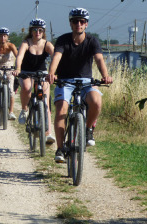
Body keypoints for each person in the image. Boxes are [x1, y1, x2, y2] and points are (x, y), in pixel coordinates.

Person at [47, 8, 113, 163]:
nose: (78, 24)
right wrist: (51, 73)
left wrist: (105, 76)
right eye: (75, 21)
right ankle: (61, 148)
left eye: (82, 21)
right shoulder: (63, 40)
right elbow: (56, 57)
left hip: (86, 82)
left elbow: (99, 60)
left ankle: (88, 129)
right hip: (65, 81)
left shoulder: (92, 41)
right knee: (61, 110)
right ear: (70, 23)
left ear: (86, 24)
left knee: (96, 101)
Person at [13, 18, 56, 144]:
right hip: (26, 72)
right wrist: (18, 68)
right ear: (31, 31)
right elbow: (20, 56)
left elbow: (56, 57)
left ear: (43, 32)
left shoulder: (47, 44)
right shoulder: (26, 43)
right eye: (35, 30)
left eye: (40, 30)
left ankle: (48, 134)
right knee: (26, 88)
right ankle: (24, 109)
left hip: (42, 73)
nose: (37, 32)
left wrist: (55, 72)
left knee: (46, 103)